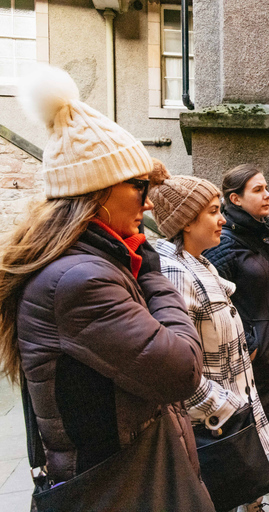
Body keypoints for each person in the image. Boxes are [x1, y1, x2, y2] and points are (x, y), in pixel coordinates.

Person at [0, 66, 213, 510]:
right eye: (138, 186)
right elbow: (181, 370)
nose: (150, 201)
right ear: (95, 194)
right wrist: (150, 265)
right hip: (119, 488)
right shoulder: (80, 281)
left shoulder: (87, 267)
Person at [148, 162, 269, 512]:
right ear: (186, 221)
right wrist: (225, 408)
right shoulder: (176, 272)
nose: (223, 219)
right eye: (213, 211)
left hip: (230, 422)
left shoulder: (200, 263)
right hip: (212, 432)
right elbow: (176, 366)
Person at [205, 164, 269, 433]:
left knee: (266, 441)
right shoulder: (223, 243)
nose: (268, 194)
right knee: (249, 448)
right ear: (235, 199)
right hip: (250, 364)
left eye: (266, 188)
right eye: (258, 190)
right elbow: (215, 304)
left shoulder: (262, 235)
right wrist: (249, 343)